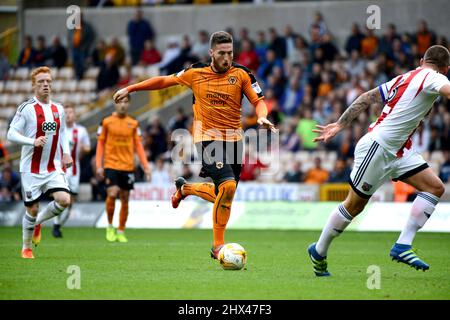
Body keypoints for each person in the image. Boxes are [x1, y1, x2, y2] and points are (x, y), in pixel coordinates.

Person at [113, 31, 276, 259]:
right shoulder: (195, 72)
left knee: (223, 194)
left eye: (230, 53)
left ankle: (186, 189)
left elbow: (258, 101)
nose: (226, 58)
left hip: (234, 140)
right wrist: (131, 88)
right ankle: (217, 246)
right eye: (221, 53)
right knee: (227, 187)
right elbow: (163, 81)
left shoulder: (242, 74)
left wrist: (261, 116)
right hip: (206, 137)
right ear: (211, 53)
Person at [308, 45, 450, 276]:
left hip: (400, 151)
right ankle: (319, 250)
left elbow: (367, 97)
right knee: (354, 205)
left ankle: (402, 245)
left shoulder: (405, 77)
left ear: (422, 59)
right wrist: (340, 126)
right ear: (446, 69)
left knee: (435, 187)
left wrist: (340, 124)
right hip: (378, 147)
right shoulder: (433, 77)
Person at [6, 66, 73, 259]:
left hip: (52, 166)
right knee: (32, 209)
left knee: (64, 200)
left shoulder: (58, 109)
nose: (46, 85)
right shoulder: (26, 108)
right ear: (33, 85)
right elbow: (10, 134)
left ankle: (38, 224)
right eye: (41, 82)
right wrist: (31, 141)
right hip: (31, 169)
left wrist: (66, 153)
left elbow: (62, 133)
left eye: (48, 81)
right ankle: (26, 248)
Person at [96, 94, 151, 243]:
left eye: (126, 102)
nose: (123, 105)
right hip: (111, 164)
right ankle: (109, 226)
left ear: (129, 104)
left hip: (127, 166)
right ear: (115, 104)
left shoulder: (133, 123)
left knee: (125, 198)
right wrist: (98, 165)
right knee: (112, 193)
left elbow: (138, 146)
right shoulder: (106, 122)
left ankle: (121, 230)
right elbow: (100, 144)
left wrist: (146, 166)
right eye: (120, 102)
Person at [52, 103, 91, 238]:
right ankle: (56, 224)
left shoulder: (81, 131)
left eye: (71, 112)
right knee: (61, 197)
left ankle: (58, 224)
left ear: (74, 115)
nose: (68, 115)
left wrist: (82, 148)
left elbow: (87, 147)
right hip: (59, 168)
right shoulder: (58, 130)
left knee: (70, 201)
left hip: (74, 169)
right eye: (66, 112)